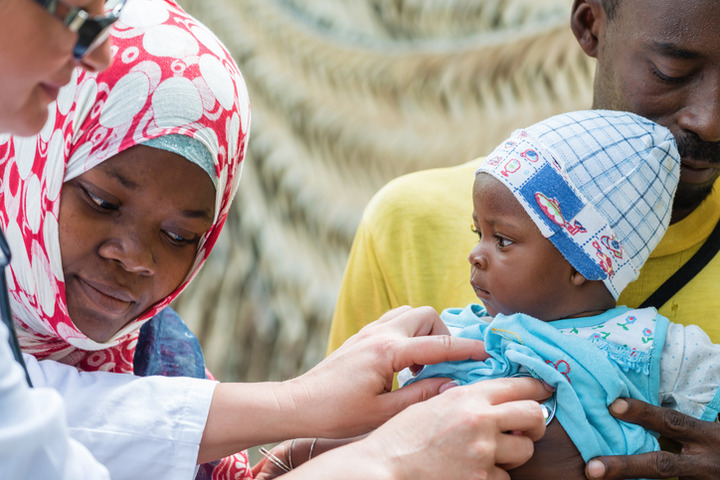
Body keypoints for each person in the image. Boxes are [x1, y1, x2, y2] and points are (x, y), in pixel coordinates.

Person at [0, 0, 552, 479]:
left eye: (178, 234)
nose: (136, 257)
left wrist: (314, 445)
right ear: (37, 166)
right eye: (101, 201)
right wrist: (376, 455)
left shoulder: (162, 359)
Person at [327, 1, 720, 478]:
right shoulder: (406, 225)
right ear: (590, 24)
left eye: (504, 241)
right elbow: (342, 441)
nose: (710, 121)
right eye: (670, 71)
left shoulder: (675, 355)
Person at [409, 109, 720, 479]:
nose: (475, 255)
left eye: (502, 240)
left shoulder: (645, 345)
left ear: (580, 265)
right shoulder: (454, 336)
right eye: (480, 235)